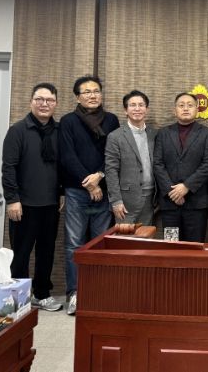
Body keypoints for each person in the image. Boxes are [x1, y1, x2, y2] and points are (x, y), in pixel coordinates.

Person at [59, 75, 120, 315]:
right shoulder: (68, 121)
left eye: (96, 91)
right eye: (87, 92)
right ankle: (75, 293)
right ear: (77, 97)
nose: (92, 95)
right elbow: (67, 156)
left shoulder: (112, 120)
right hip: (77, 191)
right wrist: (89, 183)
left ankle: (98, 293)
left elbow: (113, 154)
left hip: (104, 191)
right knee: (74, 244)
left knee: (100, 244)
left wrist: (100, 176)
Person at [1, 82, 62, 311]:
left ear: (55, 104)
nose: (44, 104)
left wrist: (62, 192)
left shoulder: (59, 131)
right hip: (23, 204)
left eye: (49, 100)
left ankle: (42, 294)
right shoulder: (18, 130)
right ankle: (19, 299)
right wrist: (12, 199)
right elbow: (8, 167)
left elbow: (62, 166)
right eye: (39, 99)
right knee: (21, 253)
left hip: (51, 204)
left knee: (46, 252)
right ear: (31, 102)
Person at [152, 92, 208, 242]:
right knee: (171, 244)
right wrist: (172, 191)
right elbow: (158, 164)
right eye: (181, 105)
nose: (185, 108)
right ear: (174, 110)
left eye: (190, 105)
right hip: (170, 203)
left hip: (196, 203)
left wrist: (186, 186)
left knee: (195, 245)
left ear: (197, 109)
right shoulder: (163, 133)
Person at [105, 90, 157, 225]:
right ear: (125, 110)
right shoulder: (115, 136)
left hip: (151, 199)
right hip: (125, 202)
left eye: (141, 105)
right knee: (125, 237)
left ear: (147, 109)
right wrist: (116, 201)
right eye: (133, 105)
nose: (137, 108)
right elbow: (111, 170)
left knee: (146, 236)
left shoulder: (154, 134)